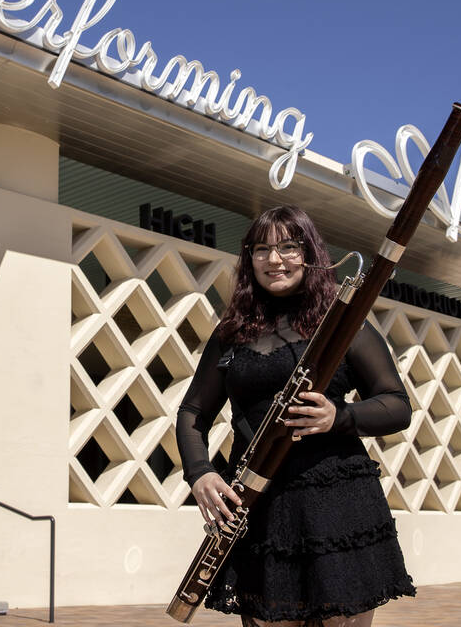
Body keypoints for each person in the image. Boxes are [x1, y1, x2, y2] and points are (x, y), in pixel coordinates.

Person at [176, 204, 416, 627]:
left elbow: (397, 405)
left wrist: (337, 416)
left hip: (336, 502)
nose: (275, 259)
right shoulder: (231, 332)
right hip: (259, 502)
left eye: (288, 247)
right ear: (249, 259)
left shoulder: (345, 322)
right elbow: (193, 412)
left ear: (310, 254)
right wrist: (200, 473)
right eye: (262, 249)